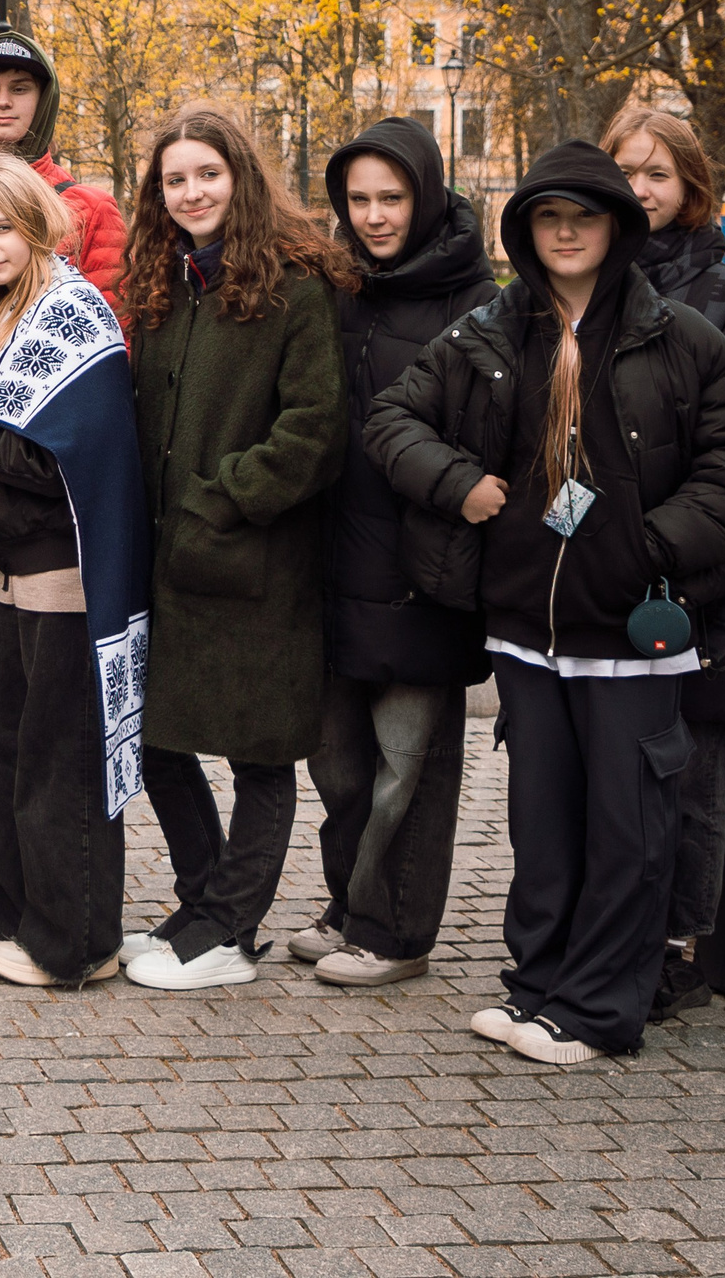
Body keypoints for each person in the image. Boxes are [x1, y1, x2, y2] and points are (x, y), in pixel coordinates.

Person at [369, 141, 725, 1064]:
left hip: (633, 630)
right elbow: (393, 419)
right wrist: (460, 484)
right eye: (549, 216)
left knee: (628, 830)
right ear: (526, 231)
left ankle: (596, 1010)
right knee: (543, 827)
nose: (568, 232)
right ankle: (538, 987)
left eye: (585, 216)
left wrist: (648, 549)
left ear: (617, 227)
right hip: (526, 631)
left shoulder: (683, 340)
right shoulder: (492, 330)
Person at [121, 103, 352, 990]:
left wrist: (218, 500)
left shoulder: (297, 286)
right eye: (174, 180)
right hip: (168, 562)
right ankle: (202, 903)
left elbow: (314, 432)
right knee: (157, 742)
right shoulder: (164, 283)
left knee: (259, 752)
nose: (191, 193)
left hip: (255, 564)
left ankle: (232, 932)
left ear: (241, 179)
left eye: (207, 175)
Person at [291, 117, 495, 988]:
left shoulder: (475, 300)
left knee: (410, 767)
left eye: (393, 198)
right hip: (332, 559)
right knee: (338, 761)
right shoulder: (336, 286)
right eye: (359, 200)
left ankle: (397, 931)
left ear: (429, 195)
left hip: (422, 567)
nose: (374, 216)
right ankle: (349, 906)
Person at [0, 155, 151, 988]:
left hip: (65, 578)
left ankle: (77, 945)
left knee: (59, 770)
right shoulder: (4, 313)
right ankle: (19, 919)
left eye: (2, 228)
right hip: (9, 574)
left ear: (36, 227)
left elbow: (55, 456)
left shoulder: (71, 314)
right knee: (1, 758)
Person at [604, 108, 725, 1023]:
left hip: (699, 586)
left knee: (690, 778)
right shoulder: (584, 287)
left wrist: (720, 586)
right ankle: (609, 937)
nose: (640, 189)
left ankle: (679, 951)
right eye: (626, 171)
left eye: (659, 174)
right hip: (602, 580)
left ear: (690, 189)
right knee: (611, 773)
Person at [0, 27, 127, 307]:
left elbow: (114, 321)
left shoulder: (90, 209)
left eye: (19, 89)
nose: (2, 102)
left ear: (44, 99)